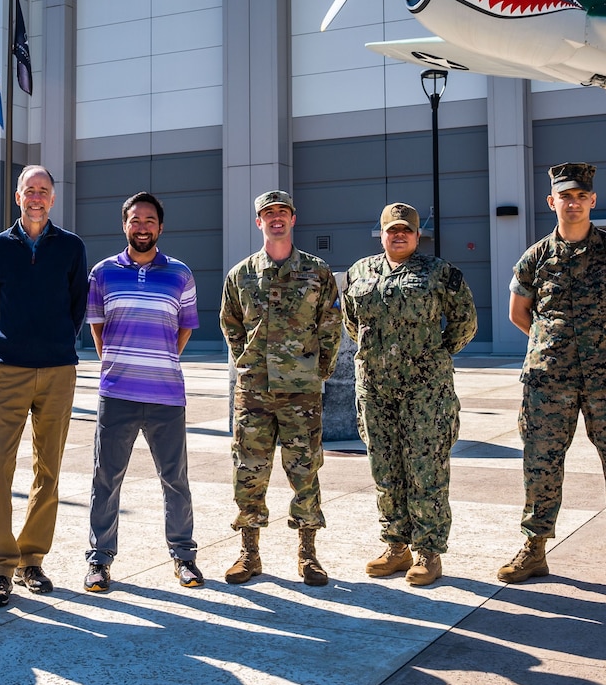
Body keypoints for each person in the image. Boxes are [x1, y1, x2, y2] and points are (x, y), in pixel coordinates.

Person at [499, 162, 606, 595]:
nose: (572, 203)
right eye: (565, 196)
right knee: (541, 464)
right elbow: (518, 314)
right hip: (548, 382)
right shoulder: (535, 257)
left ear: (592, 201)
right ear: (551, 201)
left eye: (580, 196)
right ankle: (534, 548)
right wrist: (549, 346)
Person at [343, 203, 476, 587]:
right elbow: (353, 324)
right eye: (391, 230)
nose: (398, 235)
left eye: (406, 230)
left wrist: (433, 357)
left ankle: (429, 551)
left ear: (418, 236)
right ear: (381, 234)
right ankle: (396, 546)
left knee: (426, 470)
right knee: (385, 470)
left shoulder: (440, 273)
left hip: (425, 391)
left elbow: (465, 321)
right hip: (375, 388)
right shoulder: (359, 272)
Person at [0, 165, 89, 606]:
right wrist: (9, 345)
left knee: (49, 468)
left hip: (58, 370)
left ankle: (32, 560)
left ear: (53, 198)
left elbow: (78, 304)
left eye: (44, 191)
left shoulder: (71, 247)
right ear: (18, 196)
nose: (37, 197)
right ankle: (0, 567)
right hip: (8, 370)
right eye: (30, 190)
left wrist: (58, 342)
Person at [220, 190, 342, 587]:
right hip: (253, 392)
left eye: (282, 213)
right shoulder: (240, 275)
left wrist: (316, 371)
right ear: (259, 222)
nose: (275, 219)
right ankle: (249, 553)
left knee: (305, 471)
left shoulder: (317, 271)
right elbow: (231, 326)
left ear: (293, 219)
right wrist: (247, 364)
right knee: (248, 472)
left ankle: (308, 554)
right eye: (268, 214)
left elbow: (330, 326)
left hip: (300, 394)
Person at [83, 192, 202, 594]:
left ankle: (184, 557)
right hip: (117, 393)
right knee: (106, 479)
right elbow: (97, 327)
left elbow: (183, 328)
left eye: (150, 220)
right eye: (135, 220)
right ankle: (99, 561)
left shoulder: (181, 274)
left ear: (161, 227)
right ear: (124, 226)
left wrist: (159, 360)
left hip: (166, 395)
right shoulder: (102, 274)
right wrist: (119, 363)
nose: (143, 226)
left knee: (175, 480)